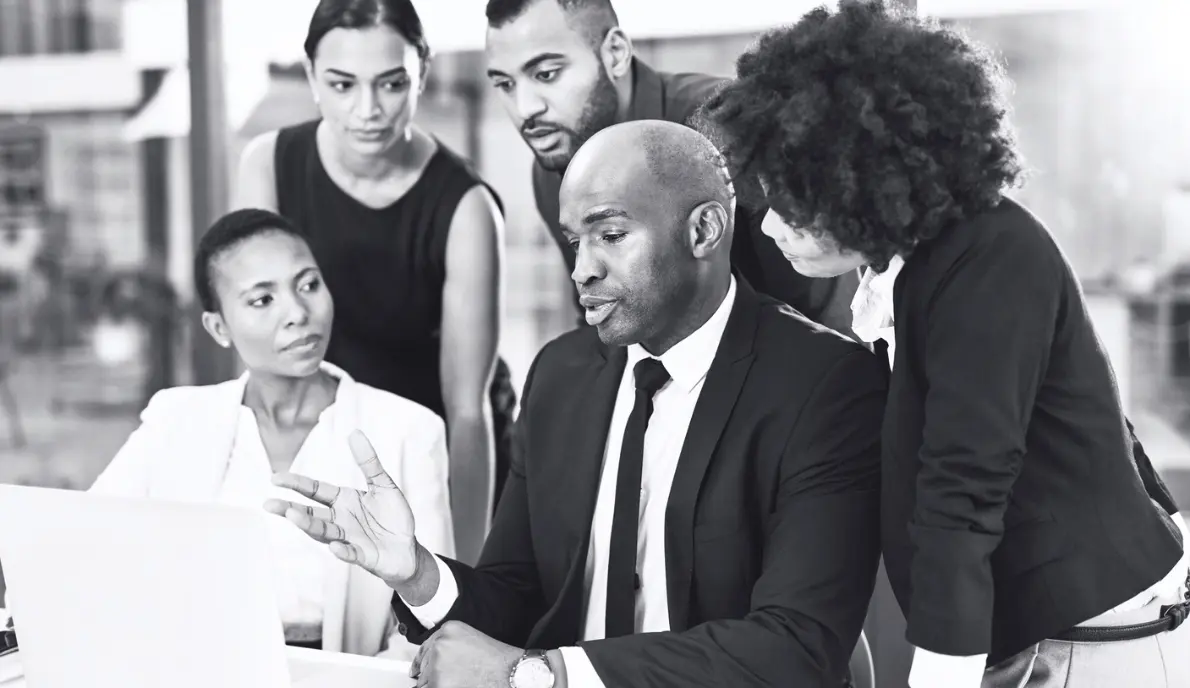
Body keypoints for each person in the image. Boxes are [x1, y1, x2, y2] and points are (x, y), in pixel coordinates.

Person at [699, 2, 1190, 686]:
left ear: (859, 177)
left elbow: (962, 491)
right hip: (1047, 638)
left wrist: (938, 680)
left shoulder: (988, 260)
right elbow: (1095, 423)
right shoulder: (910, 265)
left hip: (1090, 644)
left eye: (792, 200)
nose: (771, 227)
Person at [265, 120, 886, 688]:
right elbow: (519, 594)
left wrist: (540, 675)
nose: (580, 270)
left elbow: (795, 645)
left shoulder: (828, 383)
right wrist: (418, 574)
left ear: (703, 230)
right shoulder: (560, 375)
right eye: (573, 241)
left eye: (610, 235)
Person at [89, 208, 455, 658]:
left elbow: (432, 626)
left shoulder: (409, 430)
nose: (298, 313)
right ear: (219, 327)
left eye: (308, 285)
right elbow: (87, 540)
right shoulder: (175, 418)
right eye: (263, 300)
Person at [234, 0, 508, 564]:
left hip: (427, 456)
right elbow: (255, 344)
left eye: (390, 84)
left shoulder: (466, 207)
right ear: (311, 77)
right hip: (323, 437)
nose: (368, 110)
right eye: (341, 85)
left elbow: (466, 410)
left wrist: (469, 574)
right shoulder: (267, 166)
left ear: (422, 75)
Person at [481, 0, 859, 336]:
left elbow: (824, 322)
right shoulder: (555, 166)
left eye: (546, 74)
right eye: (504, 84)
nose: (525, 107)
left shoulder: (729, 127)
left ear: (614, 53)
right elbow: (601, 314)